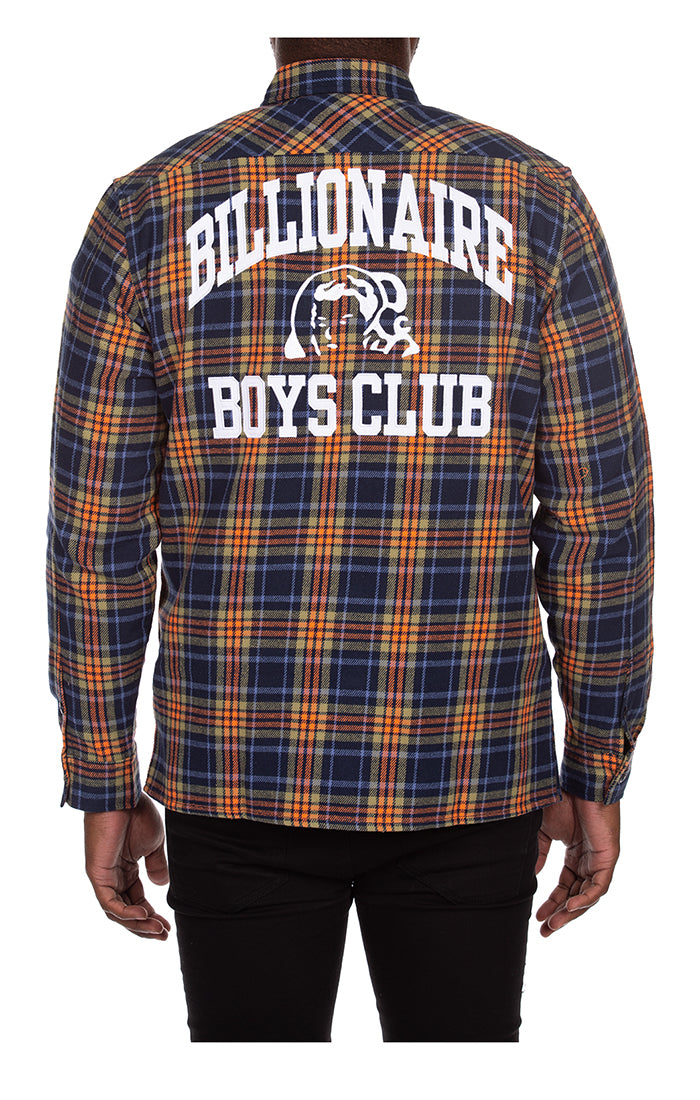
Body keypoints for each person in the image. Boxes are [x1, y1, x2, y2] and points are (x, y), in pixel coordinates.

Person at [46, 36, 653, 1042]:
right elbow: (603, 522)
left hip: (235, 769)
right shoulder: (537, 201)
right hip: (469, 764)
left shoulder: (148, 209)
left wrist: (104, 778)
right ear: (412, 29)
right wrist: (597, 763)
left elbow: (95, 537)